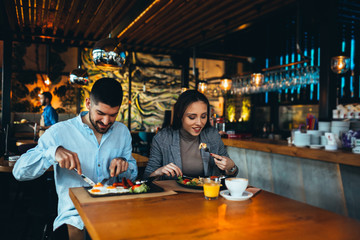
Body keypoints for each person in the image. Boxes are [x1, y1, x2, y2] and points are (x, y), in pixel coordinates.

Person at [13, 78, 138, 240]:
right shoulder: (60, 132)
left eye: (113, 115)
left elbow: (132, 175)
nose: (106, 121)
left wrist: (125, 165)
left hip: (115, 212)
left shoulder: (122, 133)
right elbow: (19, 172)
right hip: (74, 217)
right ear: (88, 103)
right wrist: (52, 153)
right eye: (100, 113)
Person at [143, 90, 238, 179]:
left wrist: (231, 167)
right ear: (179, 115)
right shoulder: (163, 138)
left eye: (203, 116)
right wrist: (159, 172)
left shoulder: (212, 135)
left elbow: (231, 174)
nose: (199, 123)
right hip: (174, 195)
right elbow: (147, 177)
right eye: (192, 117)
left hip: (207, 194)